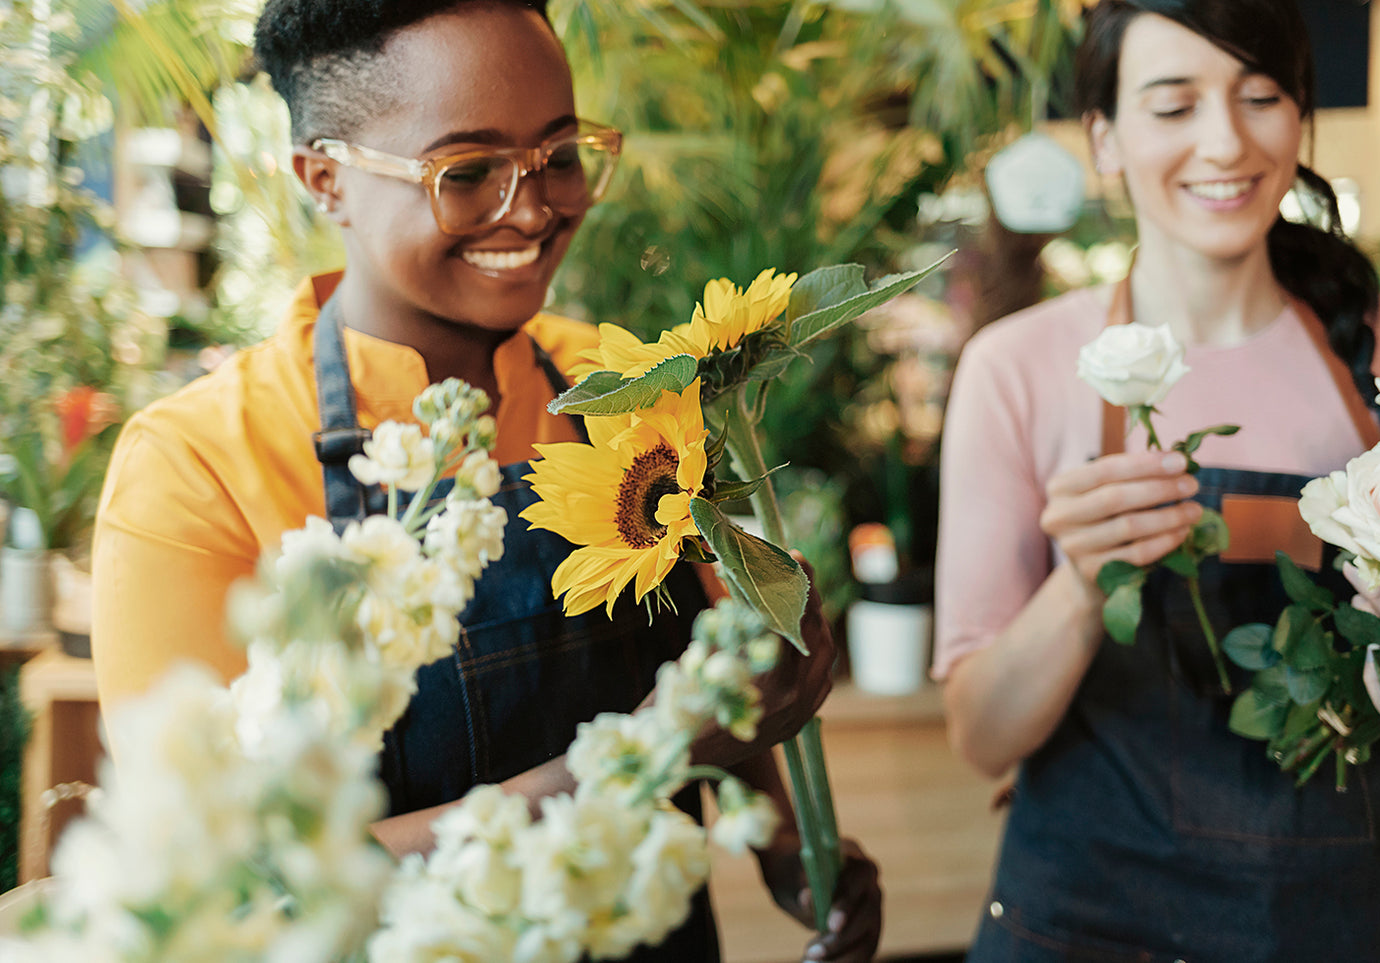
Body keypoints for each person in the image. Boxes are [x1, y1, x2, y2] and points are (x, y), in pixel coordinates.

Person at [90, 2, 882, 960]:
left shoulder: (622, 386)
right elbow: (219, 879)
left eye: (559, 155)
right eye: (466, 173)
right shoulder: (194, 464)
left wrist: (788, 840)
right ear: (325, 179)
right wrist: (636, 758)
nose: (534, 209)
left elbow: (704, 660)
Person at [934, 1, 1380, 960]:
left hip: (1345, 930)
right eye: (1173, 106)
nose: (1224, 142)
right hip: (1082, 929)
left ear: (1300, 115)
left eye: (1260, 97)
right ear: (1103, 137)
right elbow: (980, 736)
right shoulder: (1016, 367)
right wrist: (1079, 587)